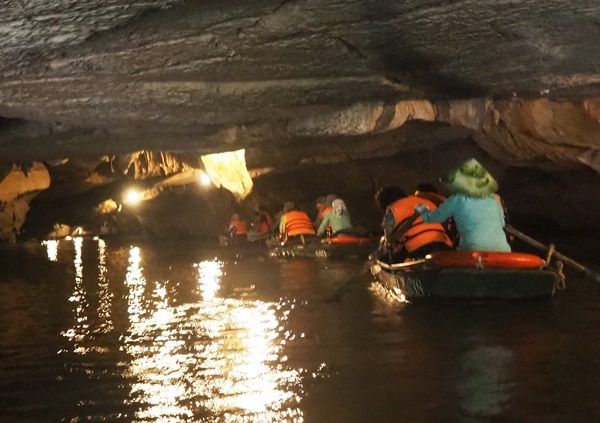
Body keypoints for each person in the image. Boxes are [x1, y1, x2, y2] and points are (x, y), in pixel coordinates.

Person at [416, 158, 511, 252]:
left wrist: (422, 210)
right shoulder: (492, 199)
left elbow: (434, 218)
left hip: (472, 250)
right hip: (502, 250)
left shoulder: (457, 199)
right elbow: (501, 223)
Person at [375, 186, 453, 262]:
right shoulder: (425, 202)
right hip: (444, 243)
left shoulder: (391, 212)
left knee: (384, 259)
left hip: (418, 248)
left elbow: (388, 241)